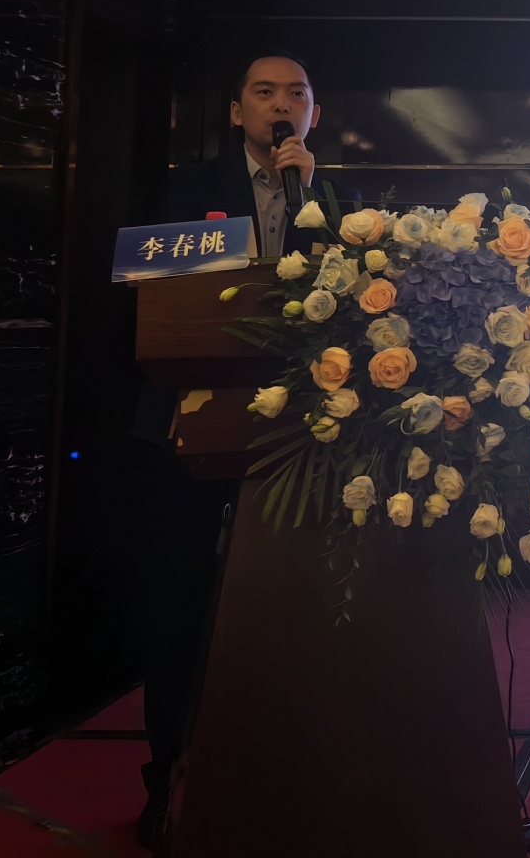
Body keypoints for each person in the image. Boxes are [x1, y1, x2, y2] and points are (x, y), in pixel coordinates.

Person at [132, 53, 355, 854]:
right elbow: (166, 293)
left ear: (314, 115)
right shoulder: (188, 189)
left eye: (296, 94)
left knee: (291, 608)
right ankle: (169, 783)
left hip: (303, 433)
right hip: (195, 425)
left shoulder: (339, 202)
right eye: (264, 93)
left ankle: (287, 782)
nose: (280, 105)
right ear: (237, 112)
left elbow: (350, 304)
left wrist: (312, 200)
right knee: (182, 605)